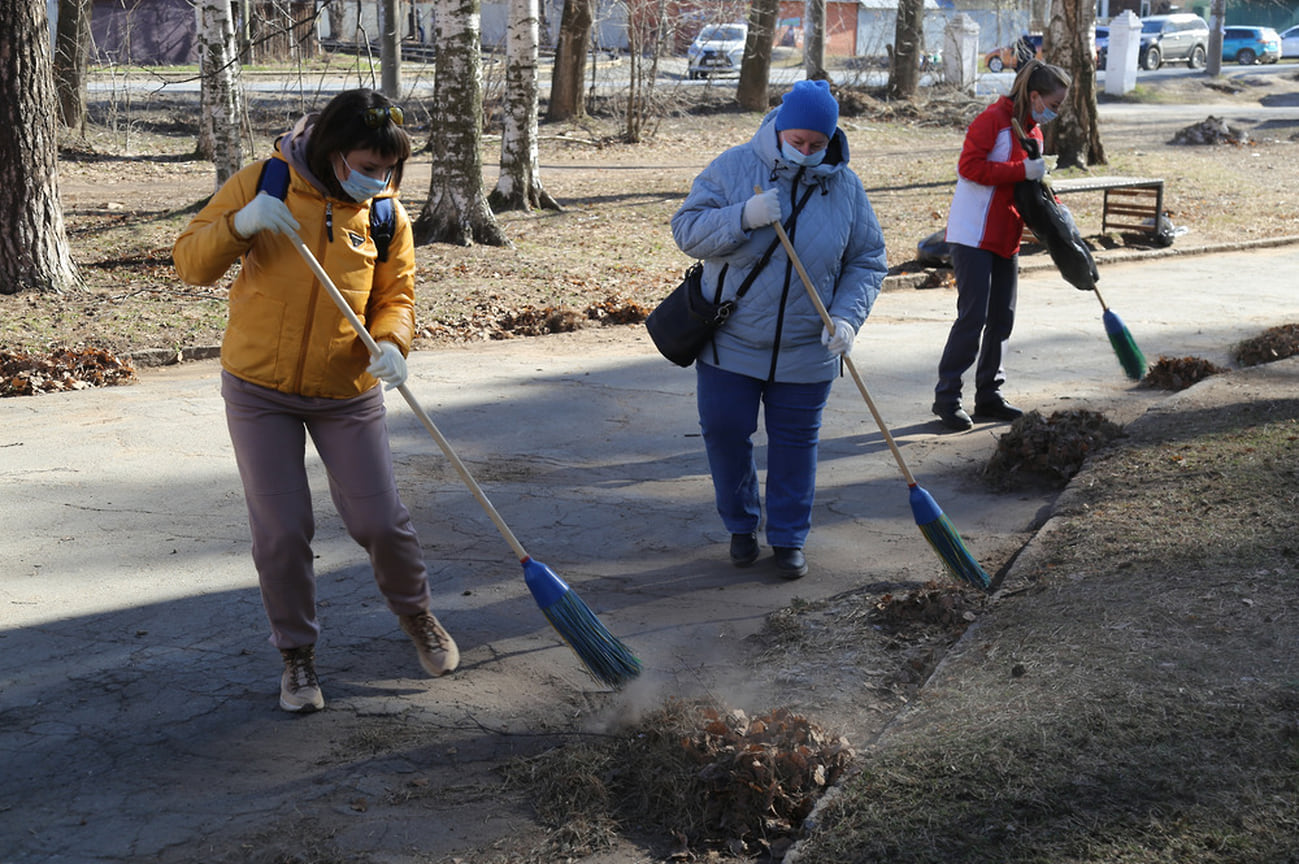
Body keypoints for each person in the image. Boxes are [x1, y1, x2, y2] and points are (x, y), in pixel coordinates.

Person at [173, 89, 459, 713]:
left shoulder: (384, 214)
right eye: (367, 165)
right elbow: (189, 263)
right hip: (259, 392)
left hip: (347, 393)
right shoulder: (263, 182)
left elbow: (397, 296)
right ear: (333, 153)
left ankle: (417, 617)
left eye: (388, 169)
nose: (377, 179)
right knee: (282, 533)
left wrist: (392, 341)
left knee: (379, 522)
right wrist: (239, 225)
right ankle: (296, 656)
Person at [670, 79, 888, 579]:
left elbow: (867, 260)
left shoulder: (845, 188)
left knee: (795, 446)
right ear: (780, 129)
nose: (808, 152)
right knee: (725, 433)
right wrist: (742, 216)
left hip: (807, 349)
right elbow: (687, 231)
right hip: (731, 342)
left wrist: (848, 319)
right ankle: (741, 525)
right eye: (798, 141)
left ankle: (789, 537)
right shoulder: (734, 167)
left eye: (818, 144)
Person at [932, 59, 1071, 432]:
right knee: (972, 317)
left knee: (1002, 318)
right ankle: (947, 397)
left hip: (1006, 236)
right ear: (1035, 95)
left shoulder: (1034, 134)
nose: (1054, 113)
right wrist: (1021, 171)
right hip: (973, 233)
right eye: (1053, 105)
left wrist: (1056, 213)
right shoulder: (992, 120)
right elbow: (969, 168)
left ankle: (989, 395)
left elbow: (1029, 190)